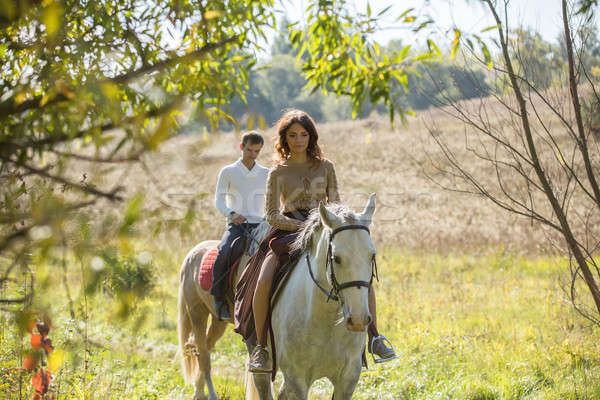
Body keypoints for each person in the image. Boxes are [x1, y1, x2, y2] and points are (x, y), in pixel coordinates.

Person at [247, 109, 395, 373]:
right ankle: (261, 347)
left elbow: (335, 203)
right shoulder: (277, 173)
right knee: (264, 277)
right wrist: (304, 226)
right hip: (289, 230)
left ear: (311, 136)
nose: (298, 139)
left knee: (359, 271)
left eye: (303, 134)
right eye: (292, 135)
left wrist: (331, 224)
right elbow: (271, 215)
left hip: (327, 226)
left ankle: (374, 336)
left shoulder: (326, 168)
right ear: (284, 138)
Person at [211, 131, 269, 321]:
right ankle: (219, 297)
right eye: (250, 150)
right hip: (237, 224)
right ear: (241, 147)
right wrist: (231, 214)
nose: (253, 155)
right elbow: (219, 201)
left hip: (260, 225)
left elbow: (271, 202)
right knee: (226, 250)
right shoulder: (228, 172)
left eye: (257, 151)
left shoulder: (266, 173)